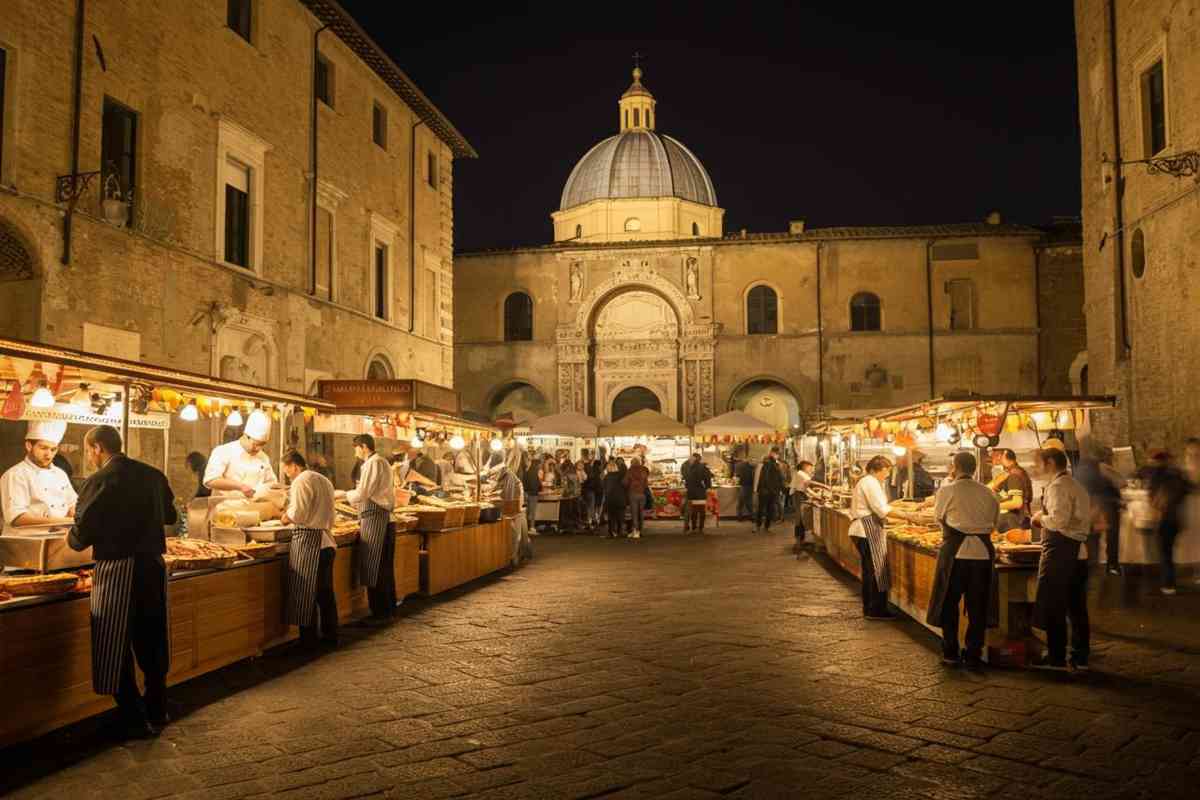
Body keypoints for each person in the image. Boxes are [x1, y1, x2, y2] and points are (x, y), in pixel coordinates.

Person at [67, 425, 174, 739]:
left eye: (89, 450)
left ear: (97, 448)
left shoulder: (98, 480)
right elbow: (170, 517)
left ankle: (132, 716)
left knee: (113, 643)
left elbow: (81, 536)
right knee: (152, 638)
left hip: (117, 568)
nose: (90, 456)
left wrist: (70, 536)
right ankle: (158, 709)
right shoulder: (153, 475)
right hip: (153, 565)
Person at [926, 452, 999, 669]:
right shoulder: (989, 492)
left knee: (949, 602)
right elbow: (994, 522)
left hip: (955, 554)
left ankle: (950, 651)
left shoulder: (946, 491)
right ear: (974, 468)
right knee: (978, 605)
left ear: (954, 467)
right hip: (982, 554)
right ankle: (974, 653)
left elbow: (938, 517)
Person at [1031, 447, 1091, 671]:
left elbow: (1059, 521)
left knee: (1054, 605)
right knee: (1077, 607)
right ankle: (1080, 656)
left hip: (1061, 552)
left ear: (1049, 463)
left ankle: (1056, 657)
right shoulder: (1074, 484)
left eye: (1038, 463)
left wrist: (1040, 518)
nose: (1036, 468)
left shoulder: (1058, 487)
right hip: (1077, 551)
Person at [279, 450, 338, 650]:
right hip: (326, 542)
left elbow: (299, 513)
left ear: (294, 466)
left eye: (286, 470)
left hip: (309, 542)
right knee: (325, 594)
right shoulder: (323, 480)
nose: (287, 474)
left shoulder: (301, 480)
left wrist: (285, 517)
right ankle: (331, 636)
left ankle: (308, 642)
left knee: (305, 593)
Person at [337, 434, 395, 622]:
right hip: (378, 516)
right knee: (382, 566)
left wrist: (343, 495)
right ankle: (387, 609)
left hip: (375, 516)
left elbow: (364, 492)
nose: (355, 453)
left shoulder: (373, 463)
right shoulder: (379, 462)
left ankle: (380, 612)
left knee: (374, 565)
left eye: (355, 448)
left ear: (363, 446)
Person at [2, 420, 77, 529]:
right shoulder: (15, 475)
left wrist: (76, 514)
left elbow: (72, 504)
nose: (48, 455)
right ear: (29, 446)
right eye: (43, 448)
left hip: (61, 535)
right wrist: (65, 521)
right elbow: (17, 518)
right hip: (29, 538)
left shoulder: (60, 474)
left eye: (53, 449)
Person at [850, 456, 897, 620]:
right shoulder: (870, 483)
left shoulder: (867, 482)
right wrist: (908, 515)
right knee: (876, 569)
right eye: (886, 471)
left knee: (870, 570)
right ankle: (876, 609)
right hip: (866, 529)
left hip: (863, 529)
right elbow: (881, 509)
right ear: (876, 469)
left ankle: (870, 607)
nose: (887, 475)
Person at [1075, 443, 1124, 576]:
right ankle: (1111, 566)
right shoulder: (1103, 467)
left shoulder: (1079, 468)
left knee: (1093, 540)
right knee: (1112, 538)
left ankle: (1093, 568)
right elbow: (1121, 482)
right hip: (1105, 507)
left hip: (1088, 508)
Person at [203, 411, 278, 497]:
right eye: (256, 444)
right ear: (245, 436)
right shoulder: (223, 451)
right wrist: (240, 486)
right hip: (225, 504)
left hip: (253, 504)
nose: (258, 449)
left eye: (262, 445)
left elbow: (271, 482)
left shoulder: (263, 457)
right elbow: (211, 480)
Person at [1146, 450, 1189, 595]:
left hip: (1163, 518)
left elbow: (1152, 496)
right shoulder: (1178, 474)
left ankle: (1168, 583)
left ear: (1158, 461)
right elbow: (1186, 491)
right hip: (1176, 518)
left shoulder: (1157, 474)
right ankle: (1170, 581)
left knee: (1165, 552)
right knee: (1168, 551)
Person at [991, 449, 1033, 533]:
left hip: (1014, 522)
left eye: (999, 456)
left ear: (1004, 456)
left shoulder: (1014, 475)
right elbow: (1005, 493)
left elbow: (1017, 503)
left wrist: (994, 507)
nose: (996, 459)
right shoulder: (1016, 471)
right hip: (1018, 520)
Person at [754, 451, 785, 533]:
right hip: (771, 491)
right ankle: (766, 527)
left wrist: (756, 490)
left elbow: (758, 478)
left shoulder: (764, 465)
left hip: (765, 491)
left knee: (762, 509)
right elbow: (780, 479)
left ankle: (759, 526)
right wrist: (780, 489)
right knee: (769, 509)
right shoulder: (776, 466)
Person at [683, 453, 713, 534]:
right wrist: (708, 487)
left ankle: (693, 527)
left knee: (693, 510)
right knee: (701, 510)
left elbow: (685, 477)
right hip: (700, 491)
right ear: (699, 459)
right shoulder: (703, 467)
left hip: (691, 492)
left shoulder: (687, 466)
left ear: (694, 459)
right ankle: (700, 527)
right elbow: (708, 478)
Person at [624, 456, 651, 539]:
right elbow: (646, 483)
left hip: (633, 494)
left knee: (634, 513)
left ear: (632, 463)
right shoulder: (643, 470)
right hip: (642, 494)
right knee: (641, 513)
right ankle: (640, 530)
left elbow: (625, 482)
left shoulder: (630, 470)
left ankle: (636, 531)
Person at [791, 460, 814, 546]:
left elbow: (807, 488)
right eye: (810, 468)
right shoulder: (801, 474)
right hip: (798, 496)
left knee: (801, 518)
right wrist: (825, 486)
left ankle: (801, 540)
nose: (811, 470)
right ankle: (798, 541)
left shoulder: (800, 473)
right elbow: (810, 483)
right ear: (805, 467)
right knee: (800, 518)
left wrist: (814, 495)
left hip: (800, 495)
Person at [602, 459, 627, 538]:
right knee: (620, 516)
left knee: (611, 517)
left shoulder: (607, 477)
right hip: (620, 498)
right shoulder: (620, 475)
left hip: (611, 499)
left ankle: (612, 532)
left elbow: (606, 489)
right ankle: (619, 531)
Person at [521, 454, 542, 533]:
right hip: (529, 493)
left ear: (529, 460)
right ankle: (528, 527)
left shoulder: (532, 470)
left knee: (531, 512)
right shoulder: (527, 469)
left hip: (532, 493)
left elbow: (534, 483)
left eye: (526, 460)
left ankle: (532, 527)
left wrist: (527, 492)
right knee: (528, 512)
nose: (525, 462)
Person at [735, 457, 756, 522]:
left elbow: (738, 476)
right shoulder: (752, 468)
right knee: (749, 502)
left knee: (741, 503)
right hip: (750, 486)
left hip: (744, 486)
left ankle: (740, 517)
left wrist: (737, 481)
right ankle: (752, 517)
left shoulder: (741, 466)